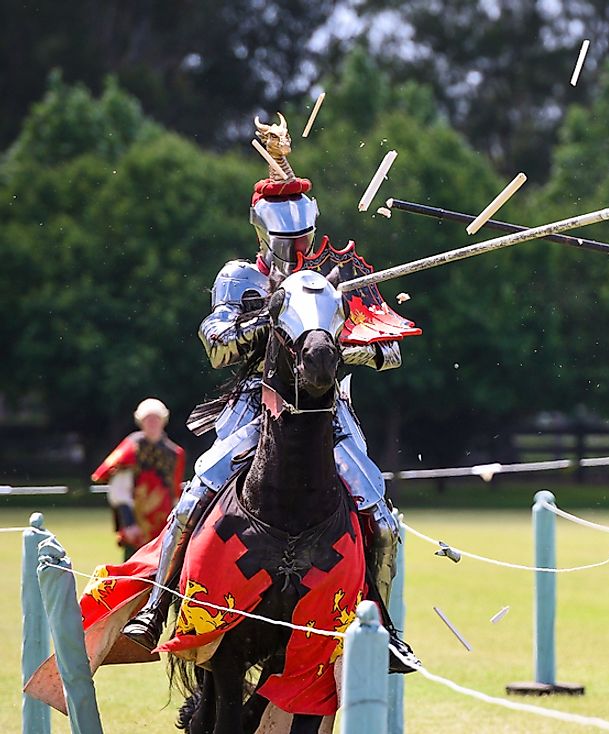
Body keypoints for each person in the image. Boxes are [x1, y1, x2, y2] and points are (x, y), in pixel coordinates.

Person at [120, 114, 420, 652]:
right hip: (255, 407)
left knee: (383, 518)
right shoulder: (241, 277)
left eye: (302, 235)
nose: (297, 246)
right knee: (192, 500)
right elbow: (216, 344)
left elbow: (391, 350)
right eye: (286, 237)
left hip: (328, 411)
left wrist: (331, 341)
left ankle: (385, 626)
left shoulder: (340, 273)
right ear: (263, 231)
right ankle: (157, 605)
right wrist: (272, 320)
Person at [92, 398, 185, 560]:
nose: (152, 423)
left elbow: (174, 493)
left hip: (164, 527)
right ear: (140, 421)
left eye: (156, 418)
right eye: (148, 419)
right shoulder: (130, 449)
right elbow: (119, 491)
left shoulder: (174, 454)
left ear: (163, 420)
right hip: (136, 527)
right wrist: (128, 524)